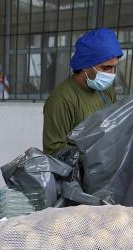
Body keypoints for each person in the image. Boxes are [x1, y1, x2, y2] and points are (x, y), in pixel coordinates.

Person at [42, 28, 123, 156]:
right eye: (106, 67)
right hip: (80, 174)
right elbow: (54, 151)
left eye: (114, 67)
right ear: (86, 65)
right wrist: (93, 157)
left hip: (106, 170)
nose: (112, 74)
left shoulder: (106, 92)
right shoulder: (62, 100)